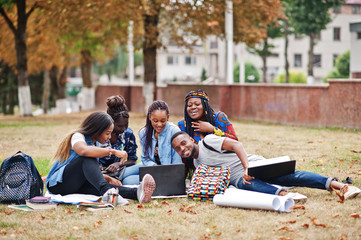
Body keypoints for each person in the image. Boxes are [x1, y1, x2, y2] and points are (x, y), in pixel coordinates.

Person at [171, 131, 361, 201]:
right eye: (178, 149)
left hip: (253, 166)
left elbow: (237, 145)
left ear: (190, 139)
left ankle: (340, 186)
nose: (182, 148)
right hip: (239, 180)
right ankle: (286, 196)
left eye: (183, 143)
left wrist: (247, 168)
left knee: (292, 176)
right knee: (245, 184)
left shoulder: (208, 141)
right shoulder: (197, 164)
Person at [46, 111, 156, 204]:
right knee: (88, 159)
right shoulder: (78, 136)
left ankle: (137, 193)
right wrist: (112, 151)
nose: (109, 137)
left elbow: (89, 171)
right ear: (97, 130)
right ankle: (107, 191)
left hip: (75, 184)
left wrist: (107, 178)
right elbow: (83, 151)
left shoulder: (96, 144)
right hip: (58, 185)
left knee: (100, 187)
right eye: (107, 133)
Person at [99, 95, 140, 185]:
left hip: (122, 171)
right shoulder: (99, 134)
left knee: (143, 166)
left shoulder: (128, 134)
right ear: (111, 121)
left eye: (126, 124)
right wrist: (99, 167)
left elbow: (132, 160)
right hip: (102, 174)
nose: (124, 129)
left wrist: (119, 164)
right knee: (128, 182)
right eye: (120, 126)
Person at [139, 100, 182, 166]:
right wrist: (154, 166)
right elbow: (145, 158)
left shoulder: (174, 131)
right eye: (155, 121)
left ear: (168, 117)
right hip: (150, 167)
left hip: (168, 170)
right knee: (125, 175)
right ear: (150, 117)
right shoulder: (144, 133)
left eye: (163, 121)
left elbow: (177, 162)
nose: (159, 124)